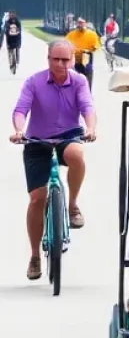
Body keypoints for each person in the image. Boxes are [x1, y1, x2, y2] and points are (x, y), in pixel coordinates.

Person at [10, 39, 97, 280]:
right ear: (48, 59)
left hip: (68, 136)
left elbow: (87, 107)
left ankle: (72, 205)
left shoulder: (79, 81)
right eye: (55, 59)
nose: (60, 64)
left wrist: (90, 128)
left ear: (72, 60)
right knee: (38, 199)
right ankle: (35, 256)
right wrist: (19, 130)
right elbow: (20, 110)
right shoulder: (34, 82)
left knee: (77, 155)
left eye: (65, 59)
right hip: (36, 140)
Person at [65, 17, 102, 90]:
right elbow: (65, 43)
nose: (80, 25)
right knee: (70, 71)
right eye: (79, 23)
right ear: (76, 23)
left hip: (86, 57)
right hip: (75, 57)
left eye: (82, 23)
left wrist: (89, 49)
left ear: (85, 23)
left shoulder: (92, 34)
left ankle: (87, 90)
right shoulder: (71, 34)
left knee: (88, 69)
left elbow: (96, 45)